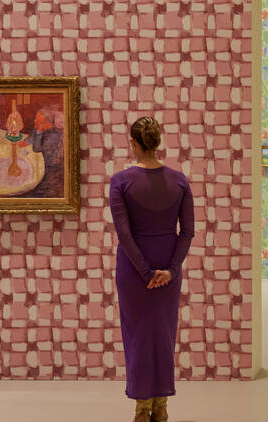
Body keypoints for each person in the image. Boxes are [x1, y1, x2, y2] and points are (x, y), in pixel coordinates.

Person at [109, 116, 195, 422]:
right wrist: (170, 270)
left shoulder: (120, 182)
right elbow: (187, 232)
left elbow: (124, 234)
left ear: (133, 143)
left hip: (134, 271)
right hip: (168, 269)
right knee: (163, 335)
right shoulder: (180, 180)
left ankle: (141, 410)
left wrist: (145, 273)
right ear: (157, 142)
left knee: (137, 337)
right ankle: (161, 406)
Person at [22, 107, 64, 197]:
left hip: (50, 173)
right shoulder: (45, 129)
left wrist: (39, 132)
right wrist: (26, 141)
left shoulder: (52, 137)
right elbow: (33, 136)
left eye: (38, 120)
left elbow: (37, 149)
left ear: (47, 123)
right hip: (43, 164)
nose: (34, 120)